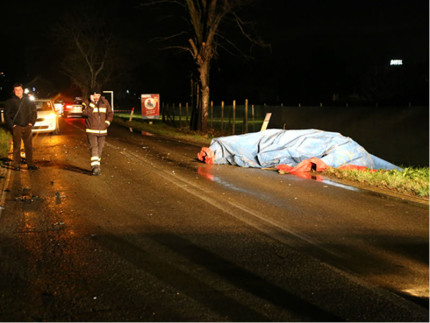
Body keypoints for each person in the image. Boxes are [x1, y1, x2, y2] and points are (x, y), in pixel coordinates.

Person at [4, 83, 38, 171]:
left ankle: (30, 164)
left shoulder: (28, 100)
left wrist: (31, 123)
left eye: (19, 89)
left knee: (29, 146)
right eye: (16, 90)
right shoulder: (10, 101)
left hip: (27, 126)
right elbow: (6, 115)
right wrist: (12, 125)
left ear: (22, 90)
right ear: (14, 91)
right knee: (16, 146)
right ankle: (17, 165)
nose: (18, 91)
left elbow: (34, 112)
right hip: (17, 127)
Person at [82, 88, 113, 176]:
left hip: (103, 130)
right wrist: (92, 104)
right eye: (95, 95)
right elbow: (84, 113)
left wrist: (106, 123)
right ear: (91, 96)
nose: (97, 97)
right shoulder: (86, 102)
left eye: (98, 95)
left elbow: (110, 113)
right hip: (91, 130)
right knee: (94, 147)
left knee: (100, 147)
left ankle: (97, 165)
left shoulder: (105, 102)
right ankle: (95, 167)